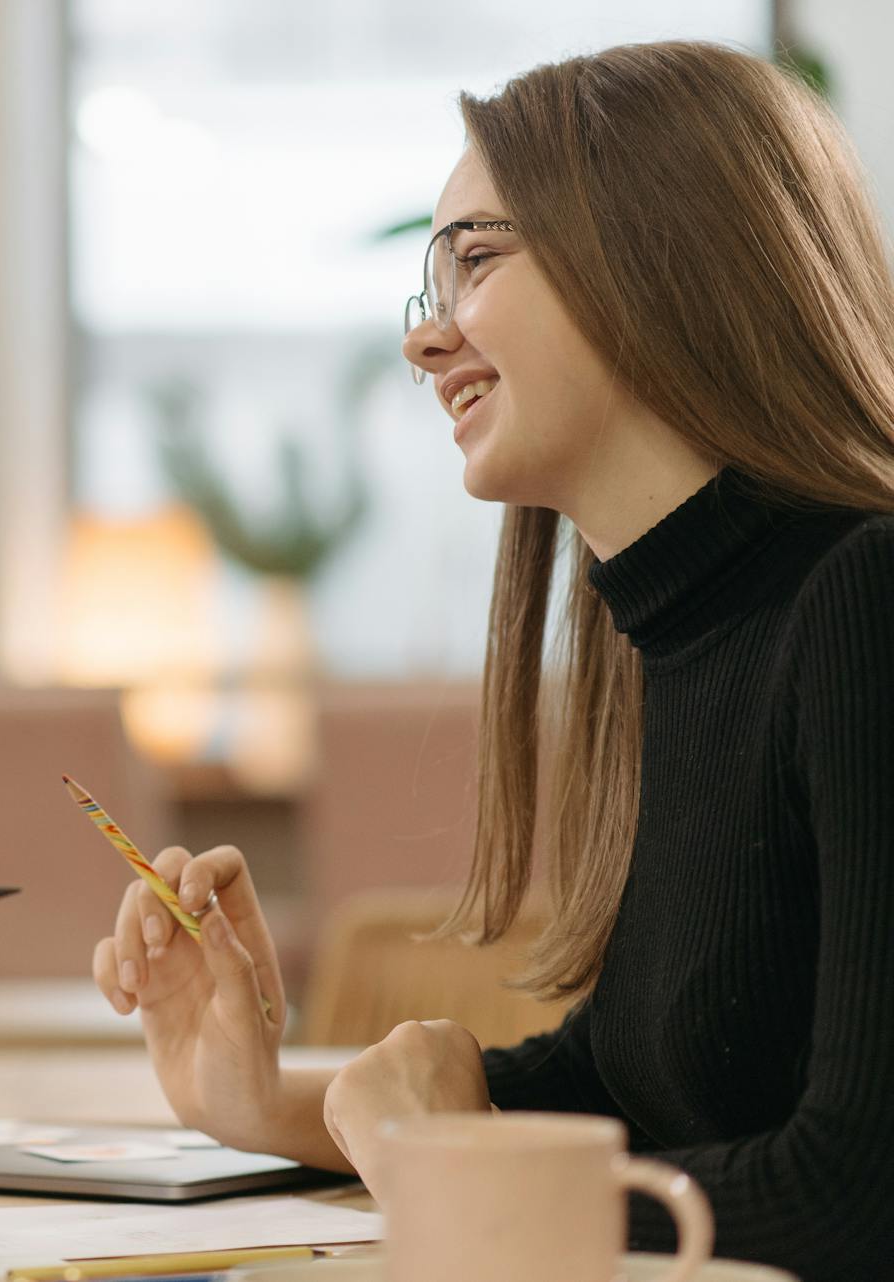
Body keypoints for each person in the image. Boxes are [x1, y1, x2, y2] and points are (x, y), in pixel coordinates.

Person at [92, 40, 894, 1282]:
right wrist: (262, 1103)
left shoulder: (866, 596)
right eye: (432, 282)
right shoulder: (683, 636)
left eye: (474, 259)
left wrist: (443, 1163)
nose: (428, 341)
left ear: (656, 254)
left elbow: (858, 1199)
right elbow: (627, 1088)